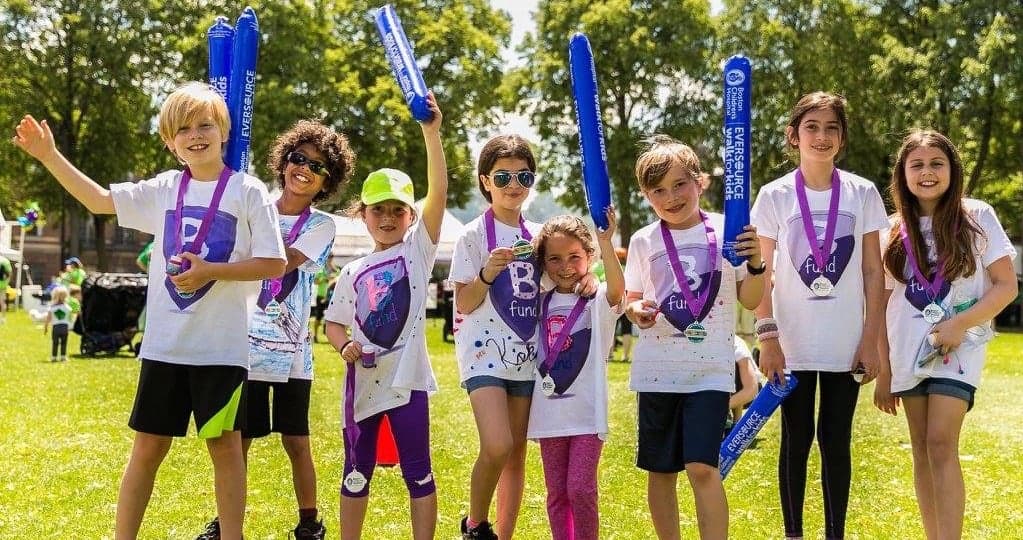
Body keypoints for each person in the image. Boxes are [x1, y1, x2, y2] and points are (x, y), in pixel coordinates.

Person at [13, 81, 287, 540]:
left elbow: (274, 263)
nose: (195, 135)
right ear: (169, 141)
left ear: (223, 131)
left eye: (205, 125)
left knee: (225, 448)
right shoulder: (164, 188)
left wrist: (211, 271)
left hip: (221, 351)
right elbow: (99, 201)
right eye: (183, 129)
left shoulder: (248, 191)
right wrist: (49, 156)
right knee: (147, 449)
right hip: (164, 348)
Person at [197, 121, 354, 540]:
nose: (304, 169)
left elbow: (281, 263)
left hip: (292, 355)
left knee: (296, 441)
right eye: (298, 159)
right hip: (242, 349)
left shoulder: (321, 225)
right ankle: (227, 521)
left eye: (317, 166)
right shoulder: (255, 204)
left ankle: (309, 521)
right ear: (283, 161)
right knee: (237, 442)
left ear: (327, 181)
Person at [749, 92, 888, 540]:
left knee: (835, 440)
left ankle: (834, 534)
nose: (822, 136)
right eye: (812, 127)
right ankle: (793, 533)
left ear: (842, 138)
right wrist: (768, 337)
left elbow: (873, 271)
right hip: (791, 343)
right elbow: (759, 273)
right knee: (795, 440)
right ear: (794, 135)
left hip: (846, 342)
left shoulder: (862, 192)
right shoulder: (774, 195)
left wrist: (870, 339)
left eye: (832, 128)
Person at [449, 134, 596, 539]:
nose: (513, 185)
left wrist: (589, 282)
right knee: (497, 444)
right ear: (485, 181)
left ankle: (504, 534)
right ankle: (475, 525)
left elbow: (562, 280)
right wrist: (486, 273)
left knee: (514, 456)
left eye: (523, 176)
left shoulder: (539, 237)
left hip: (529, 359)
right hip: (483, 356)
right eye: (503, 176)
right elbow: (464, 302)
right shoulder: (472, 235)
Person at [874, 130, 1017, 539]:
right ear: (902, 174)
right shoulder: (891, 229)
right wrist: (884, 371)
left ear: (952, 169)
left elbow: (1006, 285)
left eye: (937, 163)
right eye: (916, 165)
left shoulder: (977, 216)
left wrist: (959, 324)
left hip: (960, 347)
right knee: (921, 448)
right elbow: (882, 303)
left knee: (940, 442)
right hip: (907, 350)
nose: (927, 172)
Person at [623, 135, 765, 539]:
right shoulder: (643, 240)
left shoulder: (727, 230)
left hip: (710, 373)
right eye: (658, 190)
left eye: (679, 184)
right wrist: (635, 310)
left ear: (700, 182)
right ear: (646, 196)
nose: (671, 197)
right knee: (661, 470)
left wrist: (756, 263)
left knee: (703, 467)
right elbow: (632, 297)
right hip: (657, 373)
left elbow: (751, 298)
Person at [323, 93, 445, 540]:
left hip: (407, 382)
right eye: (379, 209)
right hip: (363, 385)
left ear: (411, 216)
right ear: (364, 214)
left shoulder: (417, 253)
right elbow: (334, 323)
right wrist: (343, 345)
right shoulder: (351, 271)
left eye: (398, 210)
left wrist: (431, 134)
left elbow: (439, 195)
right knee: (356, 472)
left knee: (419, 471)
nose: (388, 218)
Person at [527, 210, 624, 540]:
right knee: (556, 494)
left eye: (574, 257)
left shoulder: (597, 300)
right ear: (543, 263)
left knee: (580, 489)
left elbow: (617, 290)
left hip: (587, 416)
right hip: (548, 415)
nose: (565, 266)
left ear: (589, 256)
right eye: (554, 259)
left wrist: (606, 242)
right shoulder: (539, 302)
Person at [726, 336, 760, 435]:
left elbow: (751, 389)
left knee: (734, 367)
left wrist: (716, 409)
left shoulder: (735, 344)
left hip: (749, 389)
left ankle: (736, 424)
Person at [44, 285, 73, 362]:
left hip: (56, 328)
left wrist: (46, 327)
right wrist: (70, 326)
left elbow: (48, 318)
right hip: (65, 327)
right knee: (64, 343)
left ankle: (54, 357)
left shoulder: (52, 308)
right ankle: (63, 357)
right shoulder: (67, 307)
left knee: (55, 343)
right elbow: (70, 318)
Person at [311, 261, 337, 343]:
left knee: (332, 318)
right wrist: (324, 278)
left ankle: (331, 337)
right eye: (329, 257)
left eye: (332, 257)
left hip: (332, 298)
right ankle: (315, 336)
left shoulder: (335, 270)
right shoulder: (320, 270)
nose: (330, 259)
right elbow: (315, 282)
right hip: (321, 296)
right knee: (318, 317)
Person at [0, 254, 11, 321]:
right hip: (3, 284)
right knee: (2, 301)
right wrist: (7, 282)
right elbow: (9, 273)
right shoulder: (5, 261)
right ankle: (3, 318)